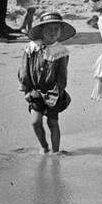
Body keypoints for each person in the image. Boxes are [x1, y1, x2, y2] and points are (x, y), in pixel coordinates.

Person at [19, 11, 75, 154]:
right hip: (35, 90)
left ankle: (55, 151)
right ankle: (44, 146)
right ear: (41, 31)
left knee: (52, 122)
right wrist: (26, 88)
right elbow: (24, 69)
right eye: (49, 29)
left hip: (53, 92)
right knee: (35, 122)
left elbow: (62, 74)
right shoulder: (32, 47)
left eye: (56, 29)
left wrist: (59, 89)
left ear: (60, 32)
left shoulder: (60, 51)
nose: (53, 32)